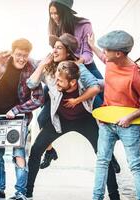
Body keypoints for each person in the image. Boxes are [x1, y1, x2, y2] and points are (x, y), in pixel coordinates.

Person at [26, 34, 120, 200]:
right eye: (53, 47)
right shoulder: (50, 72)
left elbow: (97, 85)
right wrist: (42, 65)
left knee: (103, 155)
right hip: (59, 120)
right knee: (35, 150)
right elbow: (31, 84)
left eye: (59, 47)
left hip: (85, 119)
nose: (54, 50)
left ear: (68, 52)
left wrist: (77, 100)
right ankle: (27, 194)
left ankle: (115, 195)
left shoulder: (79, 70)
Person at [39, 0, 105, 169]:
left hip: (84, 68)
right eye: (51, 14)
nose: (54, 17)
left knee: (100, 107)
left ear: (66, 11)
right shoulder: (55, 27)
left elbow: (87, 54)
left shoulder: (84, 25)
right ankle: (49, 151)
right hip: (62, 72)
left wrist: (76, 65)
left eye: (56, 13)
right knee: (42, 116)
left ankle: (108, 154)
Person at [88, 30, 140, 200]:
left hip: (128, 126)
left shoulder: (136, 75)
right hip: (106, 123)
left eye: (106, 50)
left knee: (135, 165)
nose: (104, 53)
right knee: (102, 162)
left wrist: (130, 118)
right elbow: (102, 57)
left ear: (118, 53)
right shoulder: (110, 62)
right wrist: (92, 45)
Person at [0, 38, 44, 200]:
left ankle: (20, 193)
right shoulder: (1, 60)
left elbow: (38, 99)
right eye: (18, 54)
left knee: (19, 154)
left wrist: (16, 109)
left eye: (25, 55)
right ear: (11, 52)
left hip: (19, 118)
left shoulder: (32, 68)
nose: (21, 58)